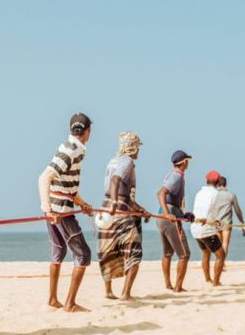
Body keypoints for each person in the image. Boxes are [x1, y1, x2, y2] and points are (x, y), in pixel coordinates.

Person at [37, 113, 94, 312]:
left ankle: (53, 299)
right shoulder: (72, 150)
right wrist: (48, 209)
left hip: (58, 208)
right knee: (84, 255)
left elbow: (65, 186)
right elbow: (44, 178)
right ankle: (69, 304)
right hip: (59, 211)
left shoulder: (70, 148)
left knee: (59, 251)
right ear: (88, 131)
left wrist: (83, 203)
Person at [98, 132, 149, 301]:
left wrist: (141, 211)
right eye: (137, 146)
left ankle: (108, 291)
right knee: (134, 251)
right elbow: (115, 181)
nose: (138, 151)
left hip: (105, 209)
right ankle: (126, 294)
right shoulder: (127, 161)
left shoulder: (112, 160)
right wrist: (115, 203)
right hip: (117, 208)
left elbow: (129, 199)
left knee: (109, 250)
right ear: (131, 146)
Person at [155, 150, 193, 293]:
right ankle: (178, 287)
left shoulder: (172, 174)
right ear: (184, 162)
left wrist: (184, 215)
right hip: (168, 217)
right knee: (184, 254)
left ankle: (168, 284)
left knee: (167, 253)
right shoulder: (177, 176)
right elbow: (161, 193)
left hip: (164, 216)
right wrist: (167, 214)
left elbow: (171, 200)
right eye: (187, 161)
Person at [190, 170, 228, 286]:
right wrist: (221, 224)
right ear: (217, 182)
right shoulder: (215, 194)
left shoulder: (199, 193)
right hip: (206, 228)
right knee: (221, 255)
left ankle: (208, 279)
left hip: (195, 228)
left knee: (206, 253)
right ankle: (216, 283)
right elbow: (213, 214)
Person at [211, 176, 245, 265]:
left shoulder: (214, 195)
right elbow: (237, 210)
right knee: (225, 243)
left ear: (218, 184)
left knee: (218, 244)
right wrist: (241, 221)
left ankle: (218, 261)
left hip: (216, 222)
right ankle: (222, 262)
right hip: (227, 222)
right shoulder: (231, 195)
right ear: (226, 184)